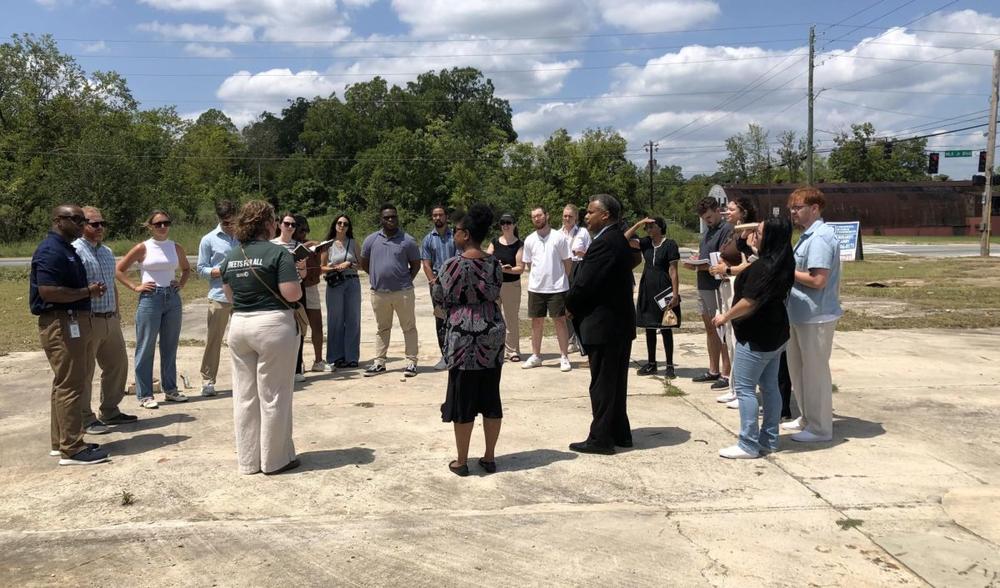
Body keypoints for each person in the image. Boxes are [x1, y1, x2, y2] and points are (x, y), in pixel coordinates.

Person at [221, 200, 302, 475]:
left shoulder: (232, 255)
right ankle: (275, 459)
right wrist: (298, 280)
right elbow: (291, 293)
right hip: (272, 325)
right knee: (274, 395)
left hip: (240, 324)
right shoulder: (278, 253)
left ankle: (248, 461)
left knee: (245, 395)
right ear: (268, 223)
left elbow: (229, 295)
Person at [31, 204, 110, 465]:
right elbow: (48, 291)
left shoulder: (67, 249)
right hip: (61, 323)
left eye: (81, 219)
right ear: (57, 220)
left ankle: (62, 441)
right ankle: (73, 449)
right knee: (72, 384)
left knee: (65, 382)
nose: (80, 223)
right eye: (75, 219)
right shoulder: (51, 250)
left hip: (72, 321)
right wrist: (87, 292)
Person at [712, 218, 796, 458]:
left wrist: (725, 317)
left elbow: (749, 302)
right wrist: (746, 235)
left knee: (745, 388)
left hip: (757, 336)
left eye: (758, 233)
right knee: (769, 387)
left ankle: (748, 443)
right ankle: (769, 439)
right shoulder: (781, 261)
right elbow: (746, 249)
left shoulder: (763, 268)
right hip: (776, 333)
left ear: (769, 238)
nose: (753, 236)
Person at [433, 205, 506, 476]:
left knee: (463, 400)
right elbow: (497, 291)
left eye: (456, 231)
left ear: (465, 234)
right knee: (490, 397)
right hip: (492, 334)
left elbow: (439, 298)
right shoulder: (493, 263)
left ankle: (462, 461)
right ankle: (489, 457)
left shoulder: (450, 265)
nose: (454, 234)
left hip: (462, 338)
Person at [566, 194, 636, 455]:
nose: (586, 216)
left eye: (590, 212)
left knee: (603, 384)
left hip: (605, 326)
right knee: (615, 383)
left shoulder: (605, 242)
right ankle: (620, 432)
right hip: (616, 324)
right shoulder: (615, 239)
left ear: (605, 215)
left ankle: (601, 439)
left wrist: (570, 305)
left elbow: (586, 283)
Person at [782, 187, 843, 443]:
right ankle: (807, 416)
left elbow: (818, 279)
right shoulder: (808, 236)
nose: (793, 213)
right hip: (799, 313)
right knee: (798, 369)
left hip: (815, 314)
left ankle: (820, 428)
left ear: (815, 208)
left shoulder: (819, 238)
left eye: (798, 208)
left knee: (815, 372)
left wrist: (786, 270)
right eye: (792, 209)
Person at [116, 210, 191, 409]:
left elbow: (186, 268)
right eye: (158, 224)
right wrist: (135, 286)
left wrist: (181, 284)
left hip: (172, 299)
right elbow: (119, 269)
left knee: (170, 346)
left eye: (166, 223)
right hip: (150, 298)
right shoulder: (143, 247)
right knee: (146, 346)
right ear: (150, 226)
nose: (163, 227)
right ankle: (145, 395)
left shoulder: (176, 247)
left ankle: (171, 390)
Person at [73, 206, 137, 433]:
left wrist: (117, 312)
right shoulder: (75, 251)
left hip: (110, 318)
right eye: (94, 223)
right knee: (85, 371)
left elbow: (111, 285)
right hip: (88, 319)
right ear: (81, 224)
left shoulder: (107, 252)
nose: (100, 228)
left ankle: (110, 410)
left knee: (118, 364)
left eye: (102, 223)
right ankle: (85, 418)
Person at [360, 203, 422, 378]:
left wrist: (405, 280)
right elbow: (365, 263)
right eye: (387, 217)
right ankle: (379, 362)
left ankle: (411, 362)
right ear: (381, 219)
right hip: (379, 292)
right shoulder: (371, 240)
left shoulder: (407, 240)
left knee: (409, 327)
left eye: (393, 216)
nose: (390, 220)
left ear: (397, 218)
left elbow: (415, 265)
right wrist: (376, 276)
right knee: (382, 328)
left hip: (403, 292)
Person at [708, 197, 758, 408]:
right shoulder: (733, 231)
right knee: (729, 339)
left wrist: (727, 270)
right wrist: (721, 263)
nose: (726, 213)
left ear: (743, 212)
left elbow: (750, 265)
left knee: (739, 340)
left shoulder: (753, 234)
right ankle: (734, 388)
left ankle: (745, 390)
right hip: (726, 286)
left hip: (739, 287)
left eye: (731, 209)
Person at [683, 197, 732, 391]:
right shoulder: (707, 232)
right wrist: (696, 259)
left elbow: (720, 259)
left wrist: (699, 265)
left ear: (718, 211)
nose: (708, 220)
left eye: (710, 216)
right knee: (710, 329)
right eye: (704, 218)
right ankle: (713, 369)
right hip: (703, 284)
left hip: (716, 285)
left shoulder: (726, 230)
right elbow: (705, 255)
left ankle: (726, 373)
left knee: (721, 330)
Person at [625, 217, 681, 378]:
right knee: (649, 326)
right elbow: (624, 239)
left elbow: (673, 270)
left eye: (651, 226)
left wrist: (675, 294)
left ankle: (669, 365)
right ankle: (651, 363)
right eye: (647, 227)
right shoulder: (645, 243)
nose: (648, 229)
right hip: (647, 288)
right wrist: (637, 224)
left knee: (666, 327)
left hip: (664, 289)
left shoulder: (670, 244)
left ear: (660, 227)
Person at [521, 206, 573, 372]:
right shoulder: (529, 240)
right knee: (536, 322)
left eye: (539, 215)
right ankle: (536, 356)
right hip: (536, 288)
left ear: (547, 216)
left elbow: (567, 262)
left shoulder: (559, 237)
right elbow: (529, 264)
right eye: (534, 216)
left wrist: (560, 279)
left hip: (557, 287)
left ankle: (564, 357)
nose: (537, 218)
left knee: (560, 321)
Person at [196, 200, 239, 397]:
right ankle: (207, 380)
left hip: (242, 295)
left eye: (232, 221)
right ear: (219, 219)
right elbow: (200, 268)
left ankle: (245, 378)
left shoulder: (243, 236)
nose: (229, 226)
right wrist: (217, 271)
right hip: (219, 296)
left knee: (243, 339)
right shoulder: (208, 239)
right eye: (225, 222)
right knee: (214, 340)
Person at [271, 212, 309, 382]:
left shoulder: (298, 246)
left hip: (296, 289)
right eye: (287, 224)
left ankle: (296, 368)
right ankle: (277, 368)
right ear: (279, 225)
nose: (290, 227)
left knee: (297, 330)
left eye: (294, 225)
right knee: (276, 331)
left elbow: (304, 275)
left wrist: (301, 266)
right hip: (276, 292)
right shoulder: (271, 245)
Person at [320, 213, 361, 369]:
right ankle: (335, 357)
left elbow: (362, 265)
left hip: (352, 282)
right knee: (335, 320)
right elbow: (321, 267)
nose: (342, 226)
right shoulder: (327, 245)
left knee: (353, 319)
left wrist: (349, 264)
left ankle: (352, 357)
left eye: (345, 224)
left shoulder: (353, 243)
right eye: (339, 223)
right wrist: (336, 267)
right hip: (335, 283)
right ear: (335, 225)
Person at [421, 204, 457, 371]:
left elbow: (460, 259)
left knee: (457, 319)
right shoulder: (428, 239)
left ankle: (457, 355)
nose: (437, 218)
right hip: (437, 286)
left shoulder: (456, 236)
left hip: (455, 284)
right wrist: (433, 281)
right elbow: (426, 263)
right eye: (434, 215)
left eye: (440, 215)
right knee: (441, 320)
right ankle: (444, 356)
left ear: (446, 217)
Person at [293, 214, 330, 374]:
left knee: (317, 324)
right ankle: (297, 363)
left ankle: (318, 360)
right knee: (298, 328)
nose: (304, 234)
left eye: (305, 231)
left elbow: (320, 267)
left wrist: (321, 250)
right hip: (296, 287)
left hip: (311, 286)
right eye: (301, 231)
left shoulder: (310, 245)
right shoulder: (288, 244)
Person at [485, 212, 525, 362]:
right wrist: (495, 265)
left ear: (514, 225)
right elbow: (487, 259)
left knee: (511, 319)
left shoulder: (519, 244)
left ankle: (513, 351)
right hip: (494, 284)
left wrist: (505, 269)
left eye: (508, 222)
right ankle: (495, 349)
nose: (506, 226)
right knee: (493, 318)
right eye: (503, 223)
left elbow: (520, 268)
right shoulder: (494, 241)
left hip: (511, 285)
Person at [560, 204, 591, 354]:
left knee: (580, 304)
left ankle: (582, 339)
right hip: (562, 270)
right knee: (566, 304)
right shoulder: (557, 233)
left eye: (570, 216)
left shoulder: (583, 232)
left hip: (579, 268)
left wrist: (582, 253)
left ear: (576, 218)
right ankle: (570, 339)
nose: (567, 219)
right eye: (565, 215)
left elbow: (592, 255)